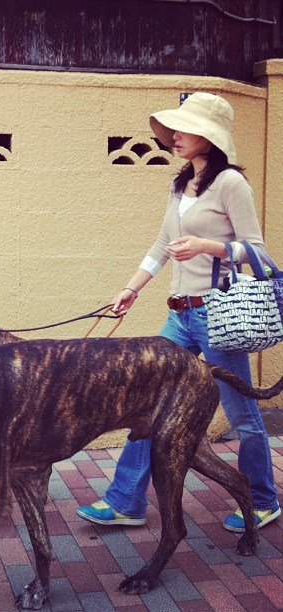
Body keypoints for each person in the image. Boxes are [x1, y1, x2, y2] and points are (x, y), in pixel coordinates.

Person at [76, 92, 280, 532]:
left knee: (242, 414)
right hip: (178, 315)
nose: (175, 135)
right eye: (174, 127)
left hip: (217, 317)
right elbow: (160, 246)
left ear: (211, 137)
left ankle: (264, 499)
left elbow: (258, 252)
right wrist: (130, 289)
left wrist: (209, 246)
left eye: (186, 128)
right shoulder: (180, 184)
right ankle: (126, 501)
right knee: (146, 405)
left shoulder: (231, 184)